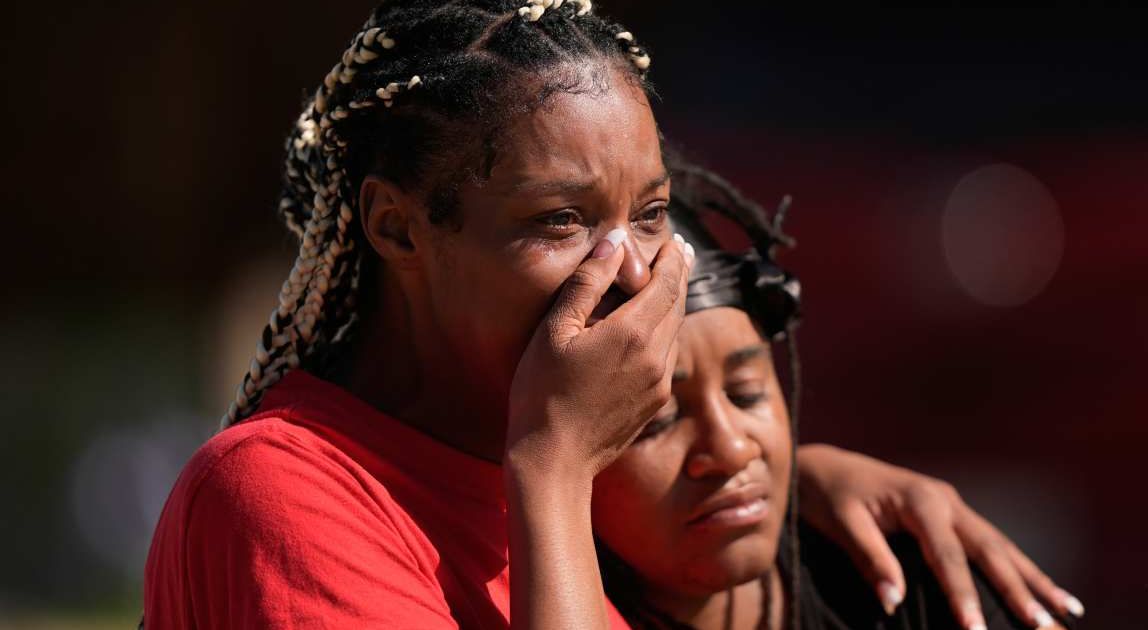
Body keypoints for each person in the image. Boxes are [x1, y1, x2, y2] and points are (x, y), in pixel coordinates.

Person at [143, 2, 1081, 628]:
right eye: (560, 220)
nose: (632, 274)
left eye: (651, 213)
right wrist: (553, 466)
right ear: (397, 228)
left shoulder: (590, 481)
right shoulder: (282, 497)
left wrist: (785, 496)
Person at [590, 161, 1082, 630]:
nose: (732, 449)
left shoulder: (914, 584)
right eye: (657, 420)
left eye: (746, 394)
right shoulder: (530, 601)